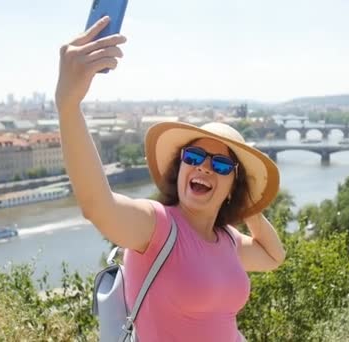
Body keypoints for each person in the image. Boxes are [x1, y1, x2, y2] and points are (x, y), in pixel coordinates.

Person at [55, 17, 286, 342]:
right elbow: (98, 206)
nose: (204, 167)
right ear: (180, 169)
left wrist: (249, 205)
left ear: (233, 184)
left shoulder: (227, 240)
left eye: (220, 165)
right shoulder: (158, 226)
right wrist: (68, 106)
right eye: (193, 158)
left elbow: (274, 256)